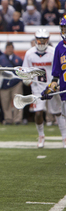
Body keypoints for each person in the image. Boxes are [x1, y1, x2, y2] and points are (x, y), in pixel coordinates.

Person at [41, 17, 66, 148]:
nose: (64, 30)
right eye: (63, 28)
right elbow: (56, 74)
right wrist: (52, 87)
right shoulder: (59, 47)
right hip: (64, 93)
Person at [0, 42, 23, 125]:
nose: (9, 49)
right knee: (5, 103)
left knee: (18, 101)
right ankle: (8, 119)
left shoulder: (18, 59)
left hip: (16, 83)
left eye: (11, 47)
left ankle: (17, 119)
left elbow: (23, 70)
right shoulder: (0, 59)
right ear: (6, 49)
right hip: (4, 83)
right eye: (8, 48)